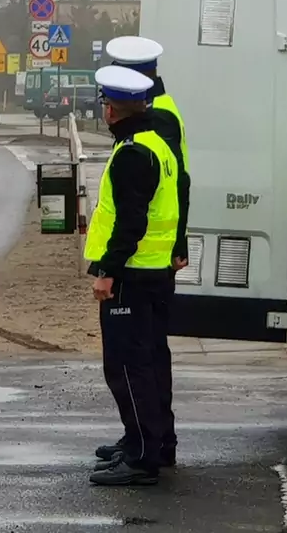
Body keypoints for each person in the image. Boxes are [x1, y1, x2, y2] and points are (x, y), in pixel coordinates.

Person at [94, 36, 190, 470]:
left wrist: (108, 271)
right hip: (152, 270)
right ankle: (151, 442)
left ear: (112, 109)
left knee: (130, 367)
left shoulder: (136, 150)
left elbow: (130, 219)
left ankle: (143, 454)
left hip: (133, 273)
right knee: (149, 360)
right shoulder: (155, 140)